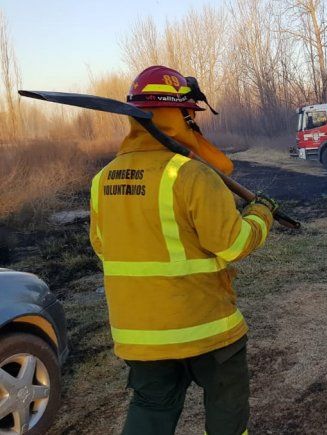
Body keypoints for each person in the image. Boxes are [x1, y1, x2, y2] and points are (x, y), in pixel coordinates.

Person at [89, 65, 277, 435]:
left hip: (140, 336)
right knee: (226, 406)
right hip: (206, 328)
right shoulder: (192, 175)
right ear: (181, 116)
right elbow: (234, 243)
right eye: (190, 115)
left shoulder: (102, 180)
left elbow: (103, 248)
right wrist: (261, 215)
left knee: (150, 408)